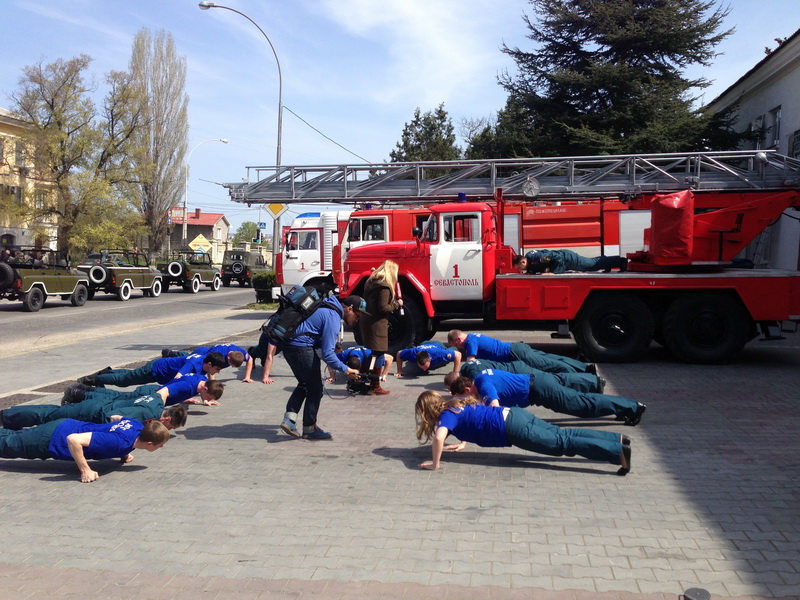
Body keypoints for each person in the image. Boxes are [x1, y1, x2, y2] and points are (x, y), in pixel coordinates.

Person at [415, 391, 631, 475]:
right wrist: (463, 442)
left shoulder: (446, 416)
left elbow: (439, 438)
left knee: (560, 444)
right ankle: (615, 439)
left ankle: (617, 452)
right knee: (561, 434)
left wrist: (436, 464)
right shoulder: (455, 403)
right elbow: (473, 417)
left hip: (513, 429)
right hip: (515, 414)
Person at [280, 294, 365, 440]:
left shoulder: (326, 308)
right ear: (349, 308)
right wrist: (346, 369)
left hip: (289, 346)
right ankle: (309, 428)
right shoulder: (333, 317)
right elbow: (327, 355)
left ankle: (290, 420)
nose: (357, 320)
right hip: (301, 348)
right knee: (316, 388)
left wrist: (324, 343)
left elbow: (310, 330)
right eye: (357, 315)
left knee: (305, 384)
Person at [0, 418, 171, 483]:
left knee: (13, 435)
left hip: (65, 424)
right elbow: (73, 440)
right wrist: (85, 470)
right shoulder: (118, 443)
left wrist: (123, 453)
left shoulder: (136, 426)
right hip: (53, 438)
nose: (161, 447)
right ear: (149, 443)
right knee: (7, 445)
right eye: (160, 444)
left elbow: (115, 418)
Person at [445, 372, 646, 425]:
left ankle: (631, 407)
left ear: (468, 388)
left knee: (581, 405)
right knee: (580, 399)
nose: (466, 401)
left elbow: (495, 409)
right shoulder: (481, 377)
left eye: (463, 396)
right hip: (537, 381)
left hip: (540, 390)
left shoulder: (484, 387)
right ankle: (622, 407)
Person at [447, 330, 593, 375]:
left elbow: (472, 362)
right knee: (551, 359)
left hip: (515, 353)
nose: (459, 349)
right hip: (516, 348)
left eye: (457, 345)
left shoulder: (470, 343)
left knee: (549, 365)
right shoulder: (473, 336)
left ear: (459, 339)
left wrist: (458, 376)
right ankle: (585, 368)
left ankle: (582, 375)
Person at [1, 399, 187, 431]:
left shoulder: (155, 406)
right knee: (47, 415)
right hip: (91, 412)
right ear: (167, 419)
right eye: (171, 427)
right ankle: (6, 417)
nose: (167, 430)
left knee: (49, 413)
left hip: (95, 408)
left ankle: (10, 419)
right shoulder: (148, 416)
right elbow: (114, 418)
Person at [358, 260, 402, 395]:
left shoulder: (370, 282)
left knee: (373, 353)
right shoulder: (385, 287)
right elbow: (383, 308)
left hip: (367, 321)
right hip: (377, 324)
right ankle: (375, 385)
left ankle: (364, 378)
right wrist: (396, 304)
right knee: (379, 353)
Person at [64, 374, 225, 407]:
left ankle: (82, 390)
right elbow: (165, 392)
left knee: (117, 397)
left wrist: (185, 399)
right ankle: (79, 393)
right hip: (149, 394)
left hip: (152, 391)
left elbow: (176, 386)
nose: (206, 398)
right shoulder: (189, 386)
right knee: (115, 399)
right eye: (207, 396)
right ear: (205, 388)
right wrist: (157, 411)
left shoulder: (199, 380)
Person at [78, 352, 226, 388]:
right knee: (124, 381)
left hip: (159, 372)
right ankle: (90, 380)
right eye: (217, 369)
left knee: (130, 376)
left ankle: (105, 372)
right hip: (156, 369)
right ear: (210, 363)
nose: (218, 372)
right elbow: (178, 378)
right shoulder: (194, 363)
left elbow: (207, 377)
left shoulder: (204, 360)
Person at [460, 358, 604, 394]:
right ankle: (589, 378)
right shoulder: (469, 365)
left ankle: (593, 382)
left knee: (554, 379)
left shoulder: (474, 375)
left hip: (519, 373)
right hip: (517, 367)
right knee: (552, 369)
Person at [162, 344, 253, 382]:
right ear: (228, 357)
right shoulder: (217, 352)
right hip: (201, 353)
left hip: (207, 353)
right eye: (231, 364)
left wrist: (247, 377)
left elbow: (250, 359)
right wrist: (212, 385)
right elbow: (210, 369)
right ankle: (171, 354)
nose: (231, 367)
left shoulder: (239, 353)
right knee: (185, 358)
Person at [513, 249, 627, 275]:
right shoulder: (531, 260)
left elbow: (556, 258)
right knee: (590, 263)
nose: (519, 270)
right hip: (565, 260)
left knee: (591, 265)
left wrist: (553, 272)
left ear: (523, 262)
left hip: (567, 259)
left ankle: (619, 261)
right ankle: (605, 261)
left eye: (519, 268)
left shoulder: (537, 258)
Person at [327, 345, 394, 385]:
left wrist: (384, 375)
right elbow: (330, 361)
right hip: (353, 353)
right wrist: (332, 377)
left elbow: (390, 358)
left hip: (365, 355)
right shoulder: (344, 355)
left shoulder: (369, 353)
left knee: (373, 364)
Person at [395, 341, 461, 378]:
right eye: (423, 367)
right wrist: (399, 371)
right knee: (416, 369)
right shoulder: (413, 353)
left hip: (437, 345)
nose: (424, 369)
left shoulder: (438, 353)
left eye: (425, 367)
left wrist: (455, 373)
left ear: (430, 359)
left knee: (451, 354)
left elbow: (458, 355)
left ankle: (453, 348)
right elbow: (399, 353)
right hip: (424, 343)